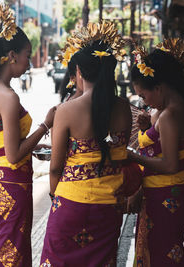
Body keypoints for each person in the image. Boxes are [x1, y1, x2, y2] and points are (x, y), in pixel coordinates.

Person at [40, 21, 131, 266]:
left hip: (71, 203)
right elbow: (121, 156)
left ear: (79, 71)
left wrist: (54, 196)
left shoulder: (66, 110)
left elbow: (56, 167)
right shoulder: (123, 108)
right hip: (109, 207)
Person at [0, 4, 55, 266]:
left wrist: (33, 145)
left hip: (0, 179)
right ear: (11, 55)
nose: (30, 61)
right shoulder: (7, 97)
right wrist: (45, 125)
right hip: (10, 182)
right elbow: (14, 153)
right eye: (28, 55)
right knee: (12, 251)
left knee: (7, 244)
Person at [127, 39, 184, 266]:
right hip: (166, 193)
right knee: (165, 252)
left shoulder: (170, 115)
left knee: (163, 255)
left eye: (143, 95)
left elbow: (170, 164)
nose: (144, 101)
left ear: (159, 88)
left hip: (166, 196)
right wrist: (146, 129)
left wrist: (132, 156)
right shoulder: (172, 109)